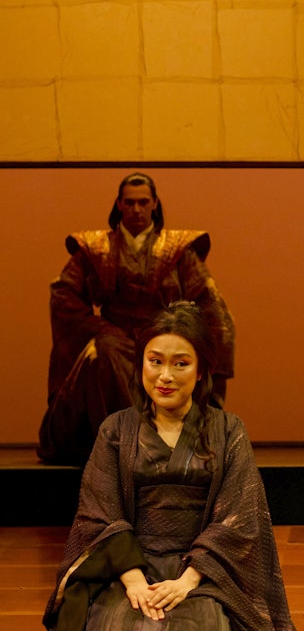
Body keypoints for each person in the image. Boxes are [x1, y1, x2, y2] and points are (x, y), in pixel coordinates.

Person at [24, 302, 304, 631]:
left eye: (180, 363)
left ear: (201, 372)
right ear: (141, 363)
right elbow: (100, 512)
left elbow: (239, 517)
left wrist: (186, 581)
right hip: (128, 569)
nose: (165, 375)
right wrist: (135, 582)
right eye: (155, 361)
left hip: (204, 573)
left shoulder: (228, 431)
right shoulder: (115, 430)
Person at [38, 172, 236, 465]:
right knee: (101, 354)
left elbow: (210, 304)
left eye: (143, 202)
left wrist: (213, 368)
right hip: (113, 338)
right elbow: (63, 294)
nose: (136, 209)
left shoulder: (179, 251)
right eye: (129, 202)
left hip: (164, 338)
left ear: (155, 203)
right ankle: (118, 441)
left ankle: (160, 437)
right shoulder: (95, 248)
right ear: (119, 204)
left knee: (170, 362)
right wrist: (99, 327)